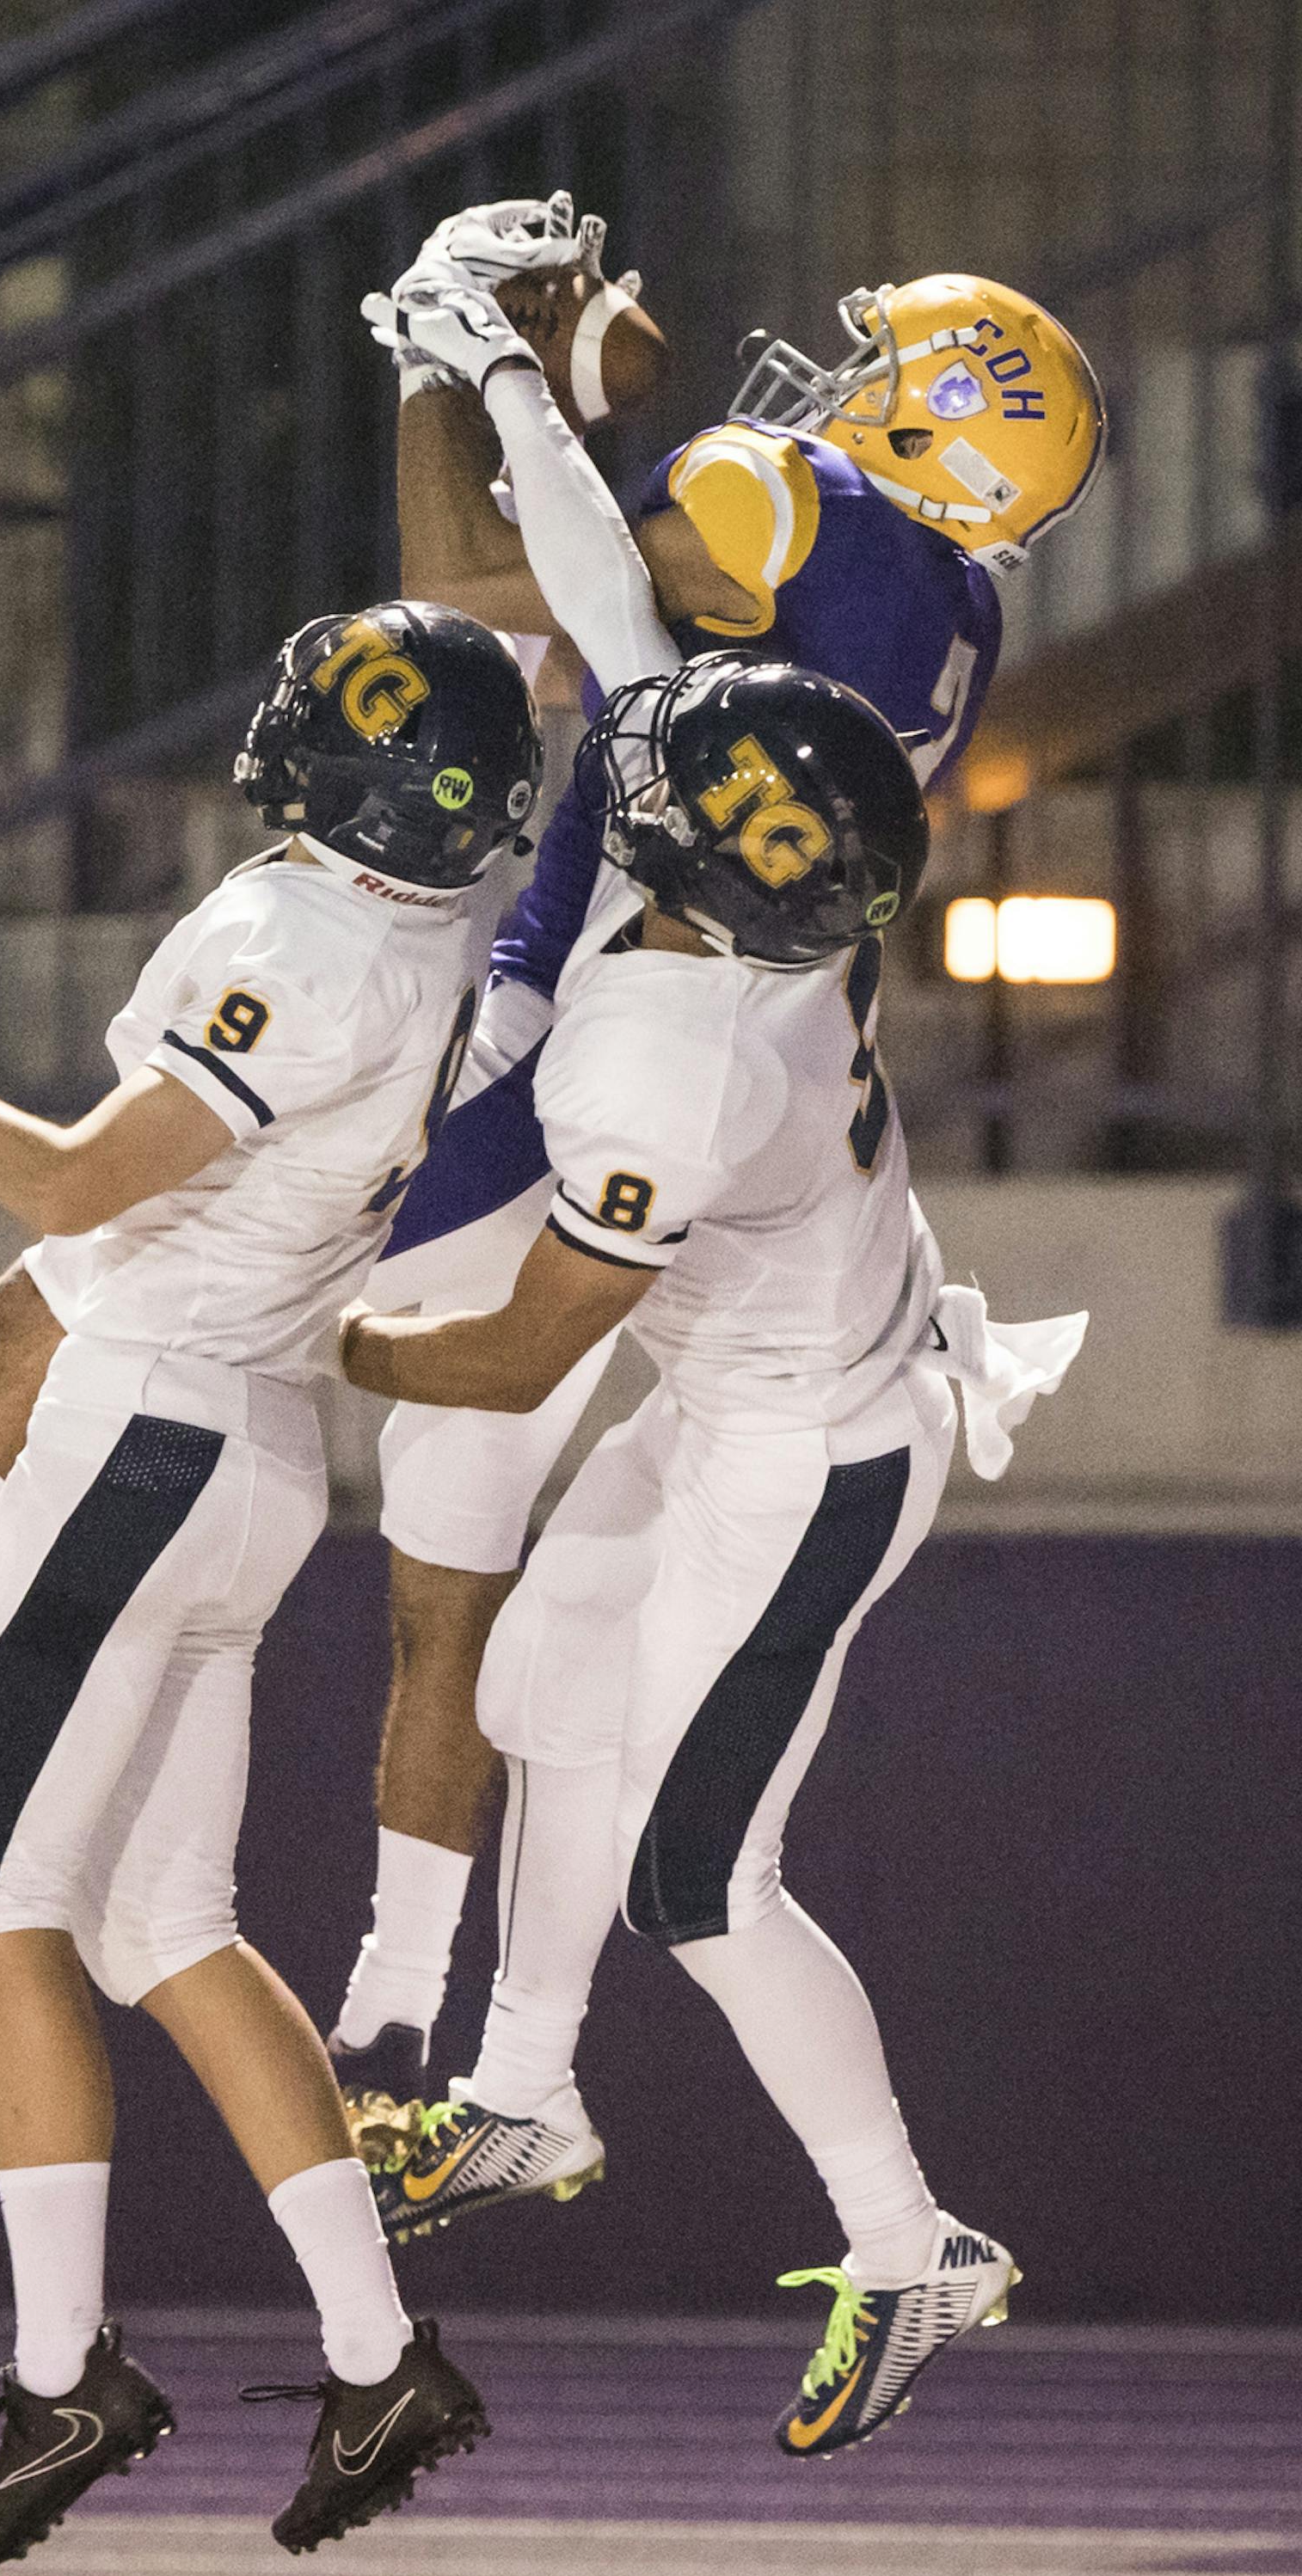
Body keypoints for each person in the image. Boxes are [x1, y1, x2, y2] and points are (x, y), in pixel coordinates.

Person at [336, 278, 1084, 2451]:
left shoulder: (657, 1059)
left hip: (817, 1454)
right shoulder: (786, 850)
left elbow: (507, 1358)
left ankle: (909, 2236)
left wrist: (310, 1325)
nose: (625, 746)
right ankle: (515, 2090)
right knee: (551, 1670)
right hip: (763, 1374)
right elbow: (626, 639)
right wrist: (493, 383)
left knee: (702, 1877)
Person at [0, 604, 541, 2565]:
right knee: (165, 1925)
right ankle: (383, 2352)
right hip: (260, 1440)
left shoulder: (298, 940)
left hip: (142, 1432)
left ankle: (67, 2373)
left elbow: (70, 1188)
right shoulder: (456, 931)